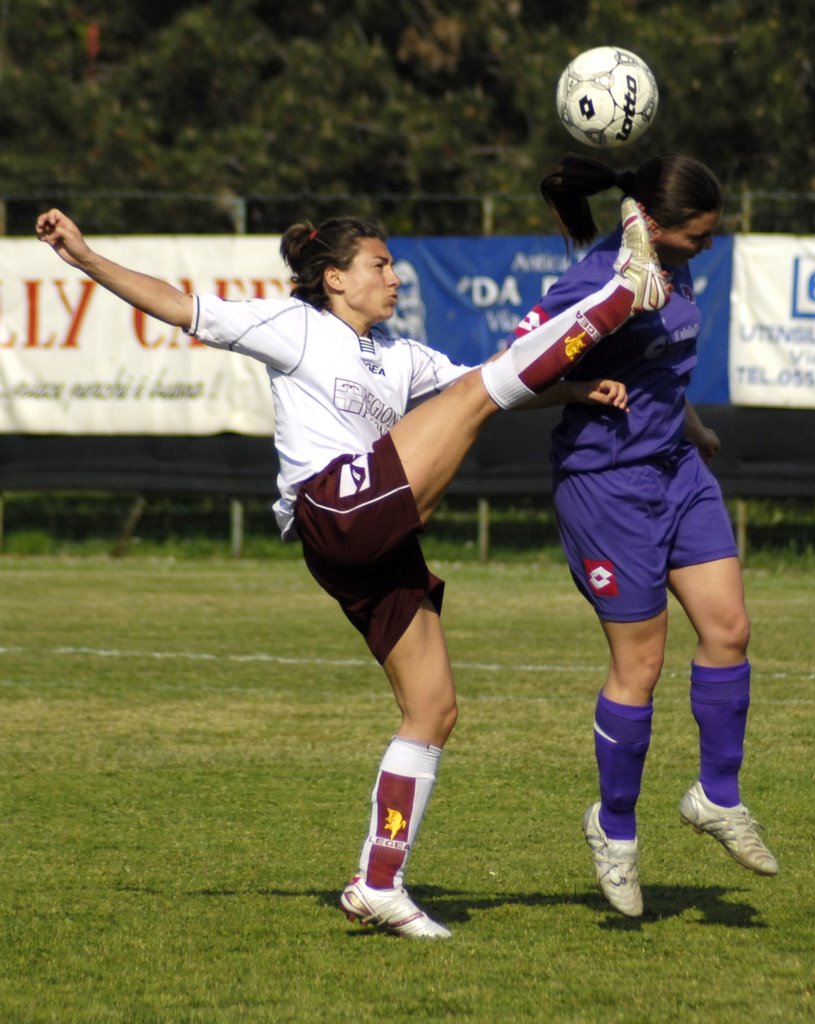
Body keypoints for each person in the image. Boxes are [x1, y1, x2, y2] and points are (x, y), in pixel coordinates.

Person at [35, 200, 665, 938]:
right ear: (334, 278)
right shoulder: (297, 328)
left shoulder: (401, 356)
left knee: (433, 710)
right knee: (472, 400)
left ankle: (379, 883)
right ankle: (625, 291)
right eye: (379, 265)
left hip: (375, 538)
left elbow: (499, 379)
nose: (395, 277)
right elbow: (180, 307)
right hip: (335, 507)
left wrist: (572, 389)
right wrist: (84, 257)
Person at [512, 153, 778, 918]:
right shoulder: (598, 281)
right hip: (606, 486)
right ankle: (615, 829)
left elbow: (661, 361)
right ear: (656, 227)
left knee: (729, 628)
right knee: (642, 665)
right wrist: (574, 384)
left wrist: (690, 425)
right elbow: (509, 370)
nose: (707, 247)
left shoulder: (667, 260)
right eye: (698, 236)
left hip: (675, 469)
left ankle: (716, 796)